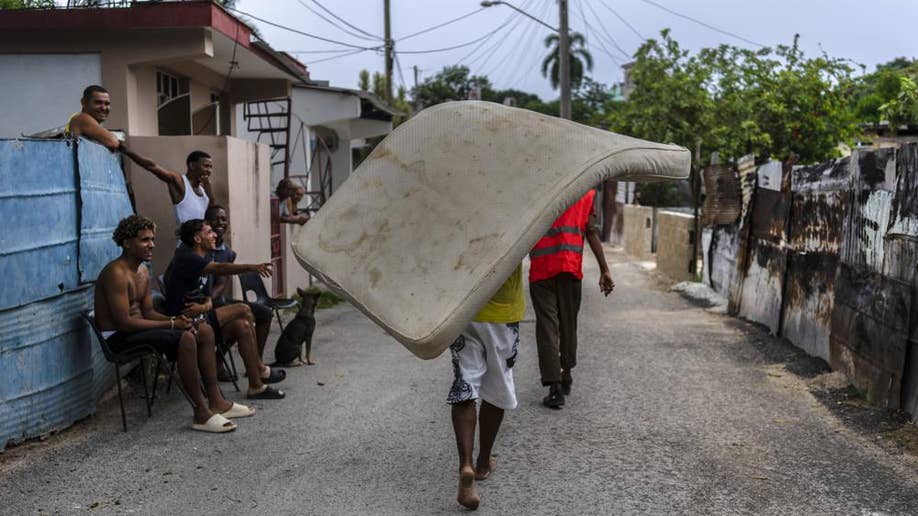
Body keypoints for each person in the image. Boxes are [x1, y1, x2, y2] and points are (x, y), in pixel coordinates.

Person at [93, 215, 255, 433]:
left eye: (152, 239)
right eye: (144, 240)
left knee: (203, 330)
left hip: (136, 326)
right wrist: (171, 323)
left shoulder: (141, 270)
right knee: (185, 337)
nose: (151, 244)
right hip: (119, 336)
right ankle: (200, 412)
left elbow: (149, 312)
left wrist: (180, 321)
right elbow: (124, 322)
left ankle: (217, 401)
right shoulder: (116, 273)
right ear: (127, 243)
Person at [164, 219, 286, 400]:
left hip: (201, 315)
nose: (215, 235)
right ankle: (259, 368)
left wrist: (206, 305)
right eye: (209, 232)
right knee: (243, 309)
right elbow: (220, 268)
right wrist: (253, 267)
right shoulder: (187, 257)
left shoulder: (202, 256)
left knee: (242, 326)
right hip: (187, 322)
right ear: (197, 239)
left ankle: (256, 386)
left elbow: (206, 295)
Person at [447, 264, 524, 510]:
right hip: (503, 310)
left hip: (464, 304)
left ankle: (465, 464)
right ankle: (481, 464)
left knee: (465, 384)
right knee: (497, 385)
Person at [529, 189, 614, 409]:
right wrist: (604, 269)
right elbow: (592, 231)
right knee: (568, 324)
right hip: (570, 268)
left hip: (542, 270)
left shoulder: (539, 188)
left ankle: (555, 387)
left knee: (548, 326)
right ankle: (565, 373)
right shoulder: (586, 193)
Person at [204, 205, 273, 361]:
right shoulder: (201, 248)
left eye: (224, 219)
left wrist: (210, 298)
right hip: (204, 304)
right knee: (239, 319)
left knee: (265, 313)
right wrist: (206, 301)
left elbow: (221, 283)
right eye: (217, 219)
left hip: (217, 300)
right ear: (207, 222)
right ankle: (219, 363)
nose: (221, 223)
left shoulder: (227, 252)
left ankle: (257, 362)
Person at [120, 148, 215, 226]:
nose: (209, 170)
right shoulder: (180, 182)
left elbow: (211, 215)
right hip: (187, 246)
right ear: (192, 166)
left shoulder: (204, 188)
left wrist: (208, 189)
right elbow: (151, 166)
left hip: (203, 245)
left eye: (211, 167)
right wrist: (125, 150)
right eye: (206, 166)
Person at [66, 85, 122, 152]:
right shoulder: (81, 119)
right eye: (98, 102)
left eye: (107, 104)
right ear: (83, 102)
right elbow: (113, 142)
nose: (103, 108)